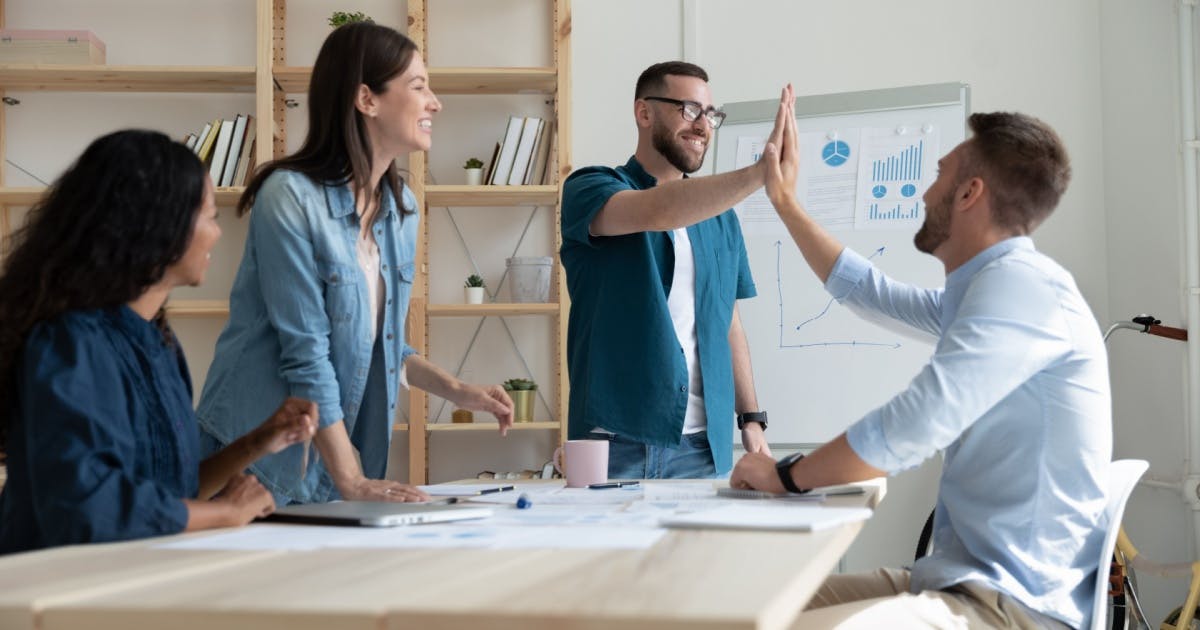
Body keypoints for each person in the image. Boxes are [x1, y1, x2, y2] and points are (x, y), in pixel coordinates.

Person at [732, 99, 1110, 629]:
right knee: (736, 607)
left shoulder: (1021, 290)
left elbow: (914, 424)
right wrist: (786, 203)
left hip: (1011, 605)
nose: (924, 190)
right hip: (950, 577)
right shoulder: (988, 289)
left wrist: (785, 476)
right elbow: (870, 292)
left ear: (968, 192)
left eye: (938, 175)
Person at [196, 22, 514, 506]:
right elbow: (307, 353)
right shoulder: (290, 197)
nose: (435, 102)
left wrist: (457, 391)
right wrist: (353, 481)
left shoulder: (401, 209)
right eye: (418, 86)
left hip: (333, 464)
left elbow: (380, 344)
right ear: (366, 99)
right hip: (253, 465)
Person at [0, 130, 318, 554]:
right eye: (208, 215)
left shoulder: (159, 341)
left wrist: (256, 443)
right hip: (54, 592)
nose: (217, 233)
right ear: (155, 224)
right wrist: (225, 513)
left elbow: (170, 489)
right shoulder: (69, 343)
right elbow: (87, 507)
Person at [561, 62, 791, 479]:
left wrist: (752, 420)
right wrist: (761, 172)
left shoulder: (722, 219)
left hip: (704, 450)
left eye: (710, 115)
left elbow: (729, 322)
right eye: (689, 109)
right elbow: (659, 209)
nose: (702, 125)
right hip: (616, 443)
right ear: (644, 113)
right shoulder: (591, 188)